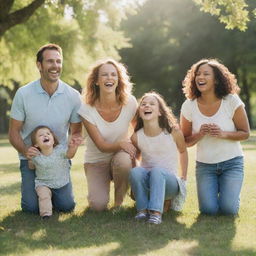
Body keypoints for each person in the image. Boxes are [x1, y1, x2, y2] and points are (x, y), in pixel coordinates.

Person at [8, 43, 82, 213]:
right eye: (50, 61)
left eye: (58, 61)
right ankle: (42, 196)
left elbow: (76, 131)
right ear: (39, 65)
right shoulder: (23, 94)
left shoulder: (73, 96)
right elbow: (13, 132)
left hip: (59, 161)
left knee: (66, 206)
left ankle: (52, 196)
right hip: (31, 161)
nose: (55, 66)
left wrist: (74, 144)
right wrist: (26, 150)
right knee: (31, 208)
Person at [180, 58, 250, 215]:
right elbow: (184, 141)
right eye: (197, 74)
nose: (200, 77)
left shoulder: (231, 101)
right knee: (208, 211)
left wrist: (223, 133)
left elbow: (245, 133)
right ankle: (220, 191)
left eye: (206, 74)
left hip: (232, 163)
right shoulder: (189, 105)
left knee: (228, 210)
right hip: (205, 166)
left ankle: (230, 196)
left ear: (217, 80)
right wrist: (200, 134)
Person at [78, 58, 138, 211]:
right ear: (96, 81)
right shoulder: (86, 108)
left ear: (119, 80)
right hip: (96, 160)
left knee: (124, 162)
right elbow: (102, 146)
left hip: (120, 156)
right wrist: (121, 143)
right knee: (98, 206)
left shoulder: (130, 102)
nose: (109, 78)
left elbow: (138, 134)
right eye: (104, 75)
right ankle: (99, 193)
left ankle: (118, 204)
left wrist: (137, 165)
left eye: (113, 74)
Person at [129, 91, 188, 224]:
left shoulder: (173, 132)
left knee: (157, 171)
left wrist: (184, 176)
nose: (146, 106)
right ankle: (142, 211)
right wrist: (136, 180)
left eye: (151, 104)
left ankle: (156, 213)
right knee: (135, 171)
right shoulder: (136, 136)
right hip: (149, 183)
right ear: (139, 112)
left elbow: (183, 151)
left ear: (160, 112)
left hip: (169, 184)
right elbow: (135, 158)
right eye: (143, 104)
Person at [29, 125, 83, 219]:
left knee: (67, 207)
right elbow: (31, 166)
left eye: (48, 134)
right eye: (41, 135)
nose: (45, 136)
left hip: (61, 183)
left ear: (53, 140)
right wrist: (30, 159)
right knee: (44, 196)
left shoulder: (60, 150)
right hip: (43, 183)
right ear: (36, 144)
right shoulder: (36, 155)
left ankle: (54, 202)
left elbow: (70, 155)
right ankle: (46, 215)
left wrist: (73, 147)